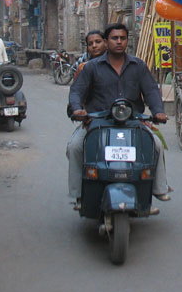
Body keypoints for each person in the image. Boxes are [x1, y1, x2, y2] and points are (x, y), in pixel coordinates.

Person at [67, 23, 171, 207]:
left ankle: (159, 188)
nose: (119, 42)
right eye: (114, 38)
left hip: (133, 121)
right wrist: (77, 109)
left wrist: (158, 112)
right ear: (107, 42)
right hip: (98, 122)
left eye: (122, 38)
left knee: (156, 145)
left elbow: (151, 91)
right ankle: (79, 195)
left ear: (127, 41)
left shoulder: (138, 66)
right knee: (75, 147)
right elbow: (77, 91)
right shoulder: (92, 67)